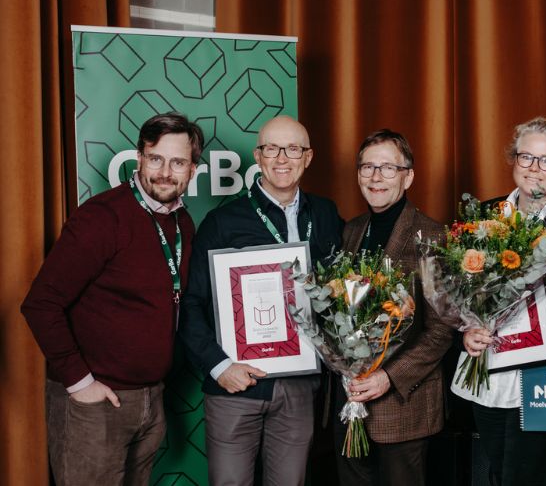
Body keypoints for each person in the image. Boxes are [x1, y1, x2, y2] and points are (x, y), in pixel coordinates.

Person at [21, 112, 204, 486]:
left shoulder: (182, 223)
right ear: (139, 158)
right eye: (155, 158)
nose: (165, 172)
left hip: (150, 399)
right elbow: (41, 303)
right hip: (95, 402)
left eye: (177, 162)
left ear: (193, 169)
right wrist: (80, 383)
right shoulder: (103, 217)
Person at [178, 115, 342, 486]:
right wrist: (219, 366)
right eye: (271, 148)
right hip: (236, 383)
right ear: (258, 156)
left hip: (301, 386)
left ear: (308, 157)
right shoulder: (222, 222)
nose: (282, 158)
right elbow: (190, 305)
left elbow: (343, 290)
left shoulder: (327, 214)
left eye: (293, 149)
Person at [454, 117, 546, 486]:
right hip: (489, 367)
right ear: (513, 160)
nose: (534, 168)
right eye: (526, 157)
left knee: (531, 475)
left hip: (543, 374)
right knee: (498, 469)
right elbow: (460, 290)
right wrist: (467, 330)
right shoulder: (483, 216)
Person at [333, 129, 453, 486]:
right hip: (350, 403)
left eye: (388, 168)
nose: (376, 177)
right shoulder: (351, 231)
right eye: (367, 167)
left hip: (404, 406)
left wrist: (388, 377)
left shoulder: (432, 236)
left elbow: (441, 330)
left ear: (408, 176)